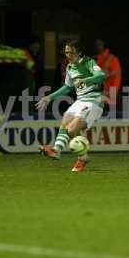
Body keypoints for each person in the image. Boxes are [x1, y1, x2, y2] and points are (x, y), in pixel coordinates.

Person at [36, 39, 106, 172]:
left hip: (94, 101)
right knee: (66, 120)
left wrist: (86, 79)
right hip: (80, 100)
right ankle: (57, 151)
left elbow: (101, 75)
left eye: (71, 52)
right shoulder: (69, 67)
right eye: (66, 52)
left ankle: (82, 158)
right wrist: (49, 97)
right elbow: (68, 87)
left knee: (72, 130)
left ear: (79, 52)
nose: (68, 55)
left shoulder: (88, 62)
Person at [95, 39, 122, 106]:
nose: (97, 47)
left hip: (109, 95)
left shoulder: (112, 59)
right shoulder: (97, 58)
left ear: (104, 45)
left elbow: (115, 72)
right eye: (96, 45)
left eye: (99, 44)